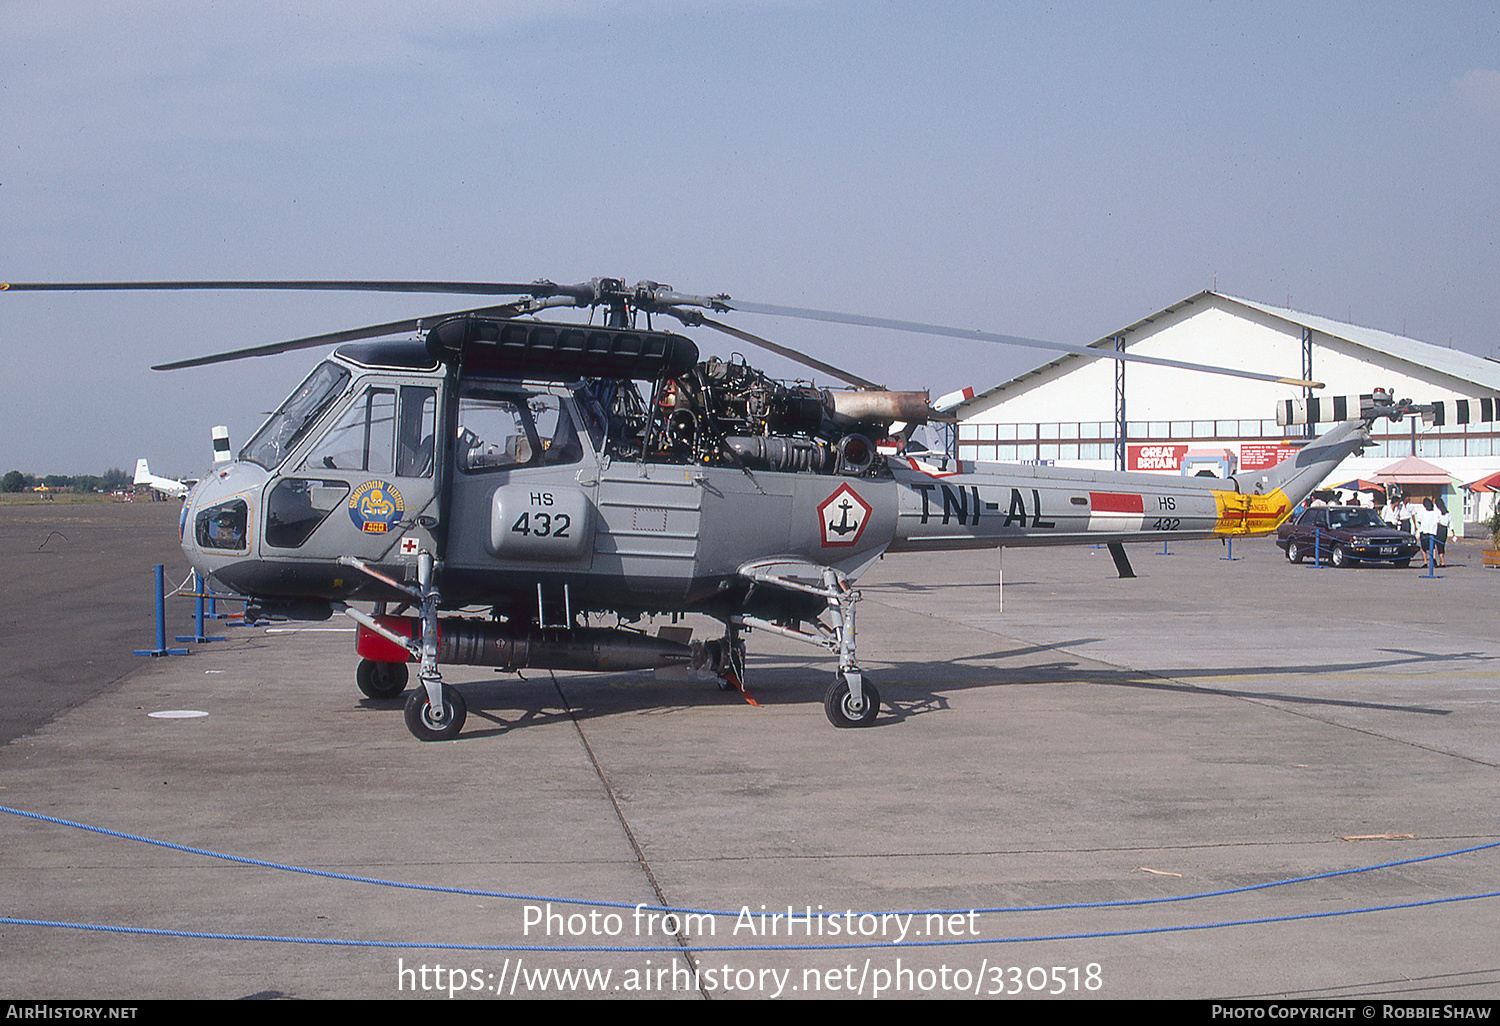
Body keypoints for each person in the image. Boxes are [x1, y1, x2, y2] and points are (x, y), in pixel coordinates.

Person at [1414, 497, 1442, 565]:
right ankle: (1434, 559)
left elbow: (1419, 521)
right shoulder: (1435, 513)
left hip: (1424, 532)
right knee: (1433, 547)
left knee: (1424, 548)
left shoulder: (1423, 512)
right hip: (1433, 532)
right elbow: (1438, 521)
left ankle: (1425, 562)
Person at [1435, 499, 1451, 568]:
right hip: (1445, 530)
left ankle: (1439, 561)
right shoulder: (1447, 513)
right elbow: (1451, 523)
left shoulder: (1438, 512)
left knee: (1437, 545)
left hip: (1439, 529)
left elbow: (1436, 521)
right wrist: (1453, 533)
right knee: (1442, 545)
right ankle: (1442, 561)